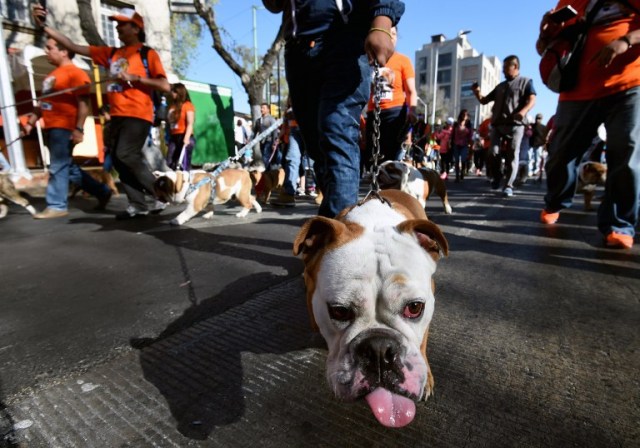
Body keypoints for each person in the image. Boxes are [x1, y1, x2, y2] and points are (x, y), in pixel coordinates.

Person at [263, 0, 405, 218]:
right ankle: (336, 223)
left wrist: (382, 22)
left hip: (343, 40)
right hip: (297, 49)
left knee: (337, 134)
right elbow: (274, 5)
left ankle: (341, 238)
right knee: (317, 147)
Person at [32, 5, 170, 219]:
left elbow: (165, 86)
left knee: (126, 153)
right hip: (116, 115)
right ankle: (138, 205)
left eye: (122, 24)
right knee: (116, 158)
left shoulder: (147, 53)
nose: (117, 27)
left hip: (138, 113)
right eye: (116, 24)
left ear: (136, 28)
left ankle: (161, 193)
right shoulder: (111, 53)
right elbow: (72, 46)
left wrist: (137, 79)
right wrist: (44, 27)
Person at [536, 1, 640, 249]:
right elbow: (544, 49)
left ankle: (619, 224)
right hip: (576, 90)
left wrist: (625, 41)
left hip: (629, 82)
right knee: (559, 155)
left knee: (626, 151)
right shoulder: (568, 3)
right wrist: (546, 31)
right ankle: (555, 201)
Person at [21, 38, 112, 219]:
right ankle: (102, 191)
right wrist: (30, 122)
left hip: (64, 128)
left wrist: (79, 129)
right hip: (51, 127)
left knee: (57, 167)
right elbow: (42, 104)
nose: (46, 51)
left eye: (50, 48)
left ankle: (57, 205)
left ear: (64, 51)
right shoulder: (50, 77)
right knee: (67, 168)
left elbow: (84, 103)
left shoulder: (76, 74)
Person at [472, 55, 536, 197]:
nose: (503, 71)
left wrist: (523, 112)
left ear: (515, 67)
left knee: (513, 153)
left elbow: (532, 99)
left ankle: (508, 185)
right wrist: (476, 92)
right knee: (493, 152)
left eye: (506, 67)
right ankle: (497, 177)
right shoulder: (500, 86)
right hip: (498, 125)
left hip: (516, 125)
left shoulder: (526, 82)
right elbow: (484, 100)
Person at [364, 25, 417, 167]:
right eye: (388, 33)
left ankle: (389, 185)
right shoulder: (370, 60)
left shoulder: (403, 60)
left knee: (391, 155)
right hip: (374, 112)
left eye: (394, 34)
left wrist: (412, 110)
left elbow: (411, 90)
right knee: (373, 155)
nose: (391, 37)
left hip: (395, 112)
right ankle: (379, 184)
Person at [271, 98, 303, 207]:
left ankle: (323, 191)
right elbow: (285, 127)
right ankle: (289, 194)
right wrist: (278, 139)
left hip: (310, 129)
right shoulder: (288, 111)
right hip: (294, 133)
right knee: (291, 159)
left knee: (315, 161)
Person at [166, 83, 195, 171]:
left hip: (185, 136)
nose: (172, 94)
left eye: (174, 92)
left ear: (179, 93)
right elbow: (168, 123)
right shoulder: (172, 106)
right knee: (169, 161)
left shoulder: (187, 105)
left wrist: (186, 138)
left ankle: (184, 182)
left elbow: (190, 123)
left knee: (183, 163)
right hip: (173, 136)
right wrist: (167, 138)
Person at [450, 110, 473, 182]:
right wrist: (451, 142)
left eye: (466, 115)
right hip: (456, 144)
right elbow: (452, 133)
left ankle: (462, 174)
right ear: (461, 115)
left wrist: (470, 144)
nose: (464, 116)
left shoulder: (469, 125)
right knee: (456, 161)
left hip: (465, 144)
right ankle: (457, 176)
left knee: (463, 160)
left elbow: (470, 135)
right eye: (463, 114)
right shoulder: (456, 124)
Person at [253, 103, 277, 170]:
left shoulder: (271, 119)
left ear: (268, 109)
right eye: (261, 108)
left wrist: (274, 143)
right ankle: (268, 173)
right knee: (264, 157)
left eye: (263, 108)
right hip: (262, 142)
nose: (261, 109)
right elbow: (255, 131)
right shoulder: (258, 120)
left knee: (265, 157)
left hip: (269, 141)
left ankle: (265, 173)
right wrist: (251, 140)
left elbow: (275, 131)